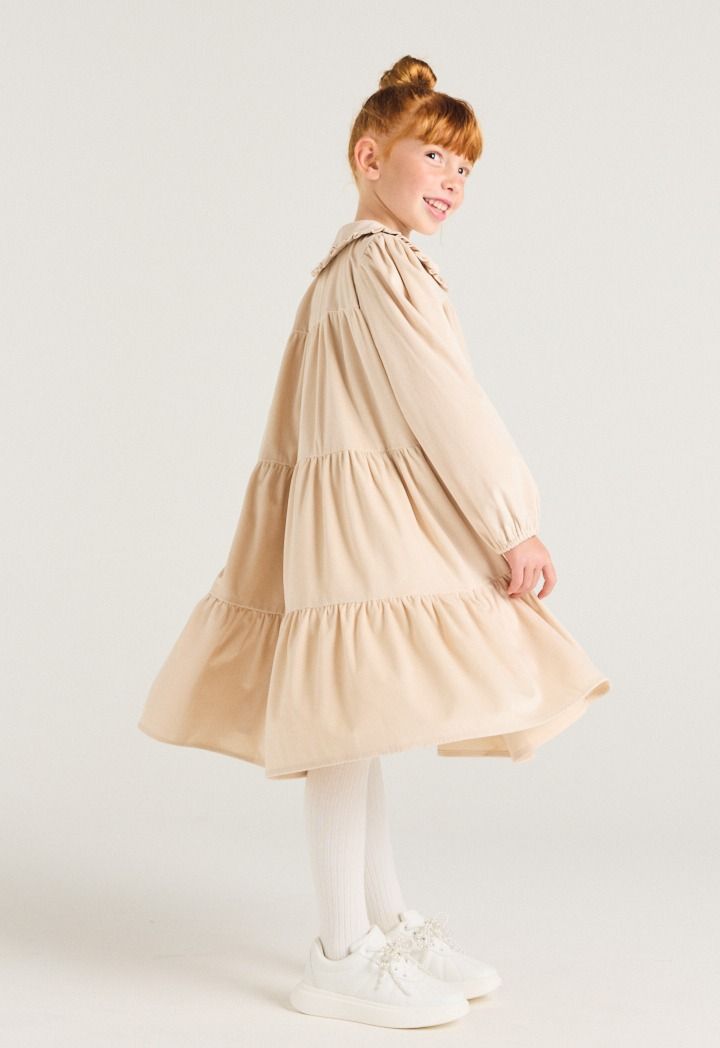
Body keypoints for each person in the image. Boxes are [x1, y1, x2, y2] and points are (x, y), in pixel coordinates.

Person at [137, 54, 611, 1029]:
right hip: (361, 531)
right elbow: (446, 402)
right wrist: (510, 520)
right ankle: (340, 948)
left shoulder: (341, 270)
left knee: (359, 722)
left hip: (352, 524)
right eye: (433, 155)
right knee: (343, 727)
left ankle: (384, 924)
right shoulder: (383, 265)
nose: (452, 180)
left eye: (465, 168)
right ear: (368, 157)